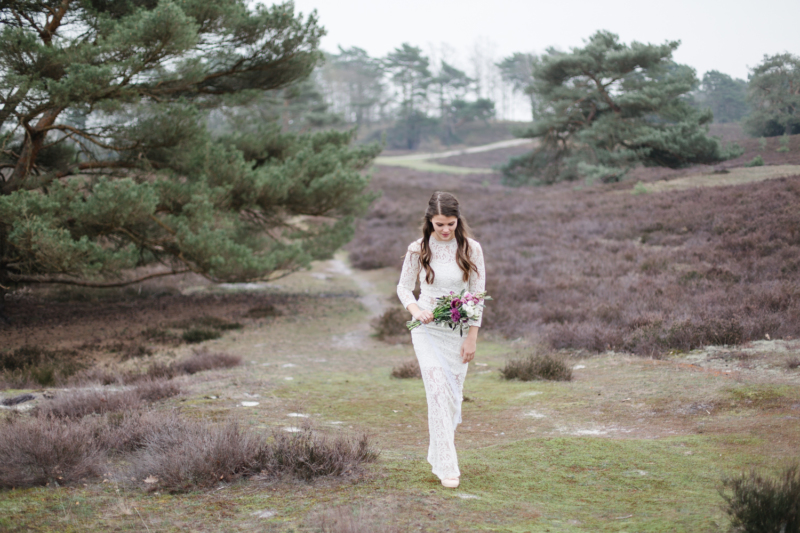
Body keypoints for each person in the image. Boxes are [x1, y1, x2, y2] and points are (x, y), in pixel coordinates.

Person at [396, 191, 486, 489]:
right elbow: (404, 289)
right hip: (426, 330)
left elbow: (477, 296)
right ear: (429, 223)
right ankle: (448, 465)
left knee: (448, 397)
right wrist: (416, 309)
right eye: (439, 225)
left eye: (450, 223)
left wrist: (472, 337)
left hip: (457, 331)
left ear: (457, 220)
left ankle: (439, 453)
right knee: (435, 390)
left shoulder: (471, 249)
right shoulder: (417, 249)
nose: (445, 230)